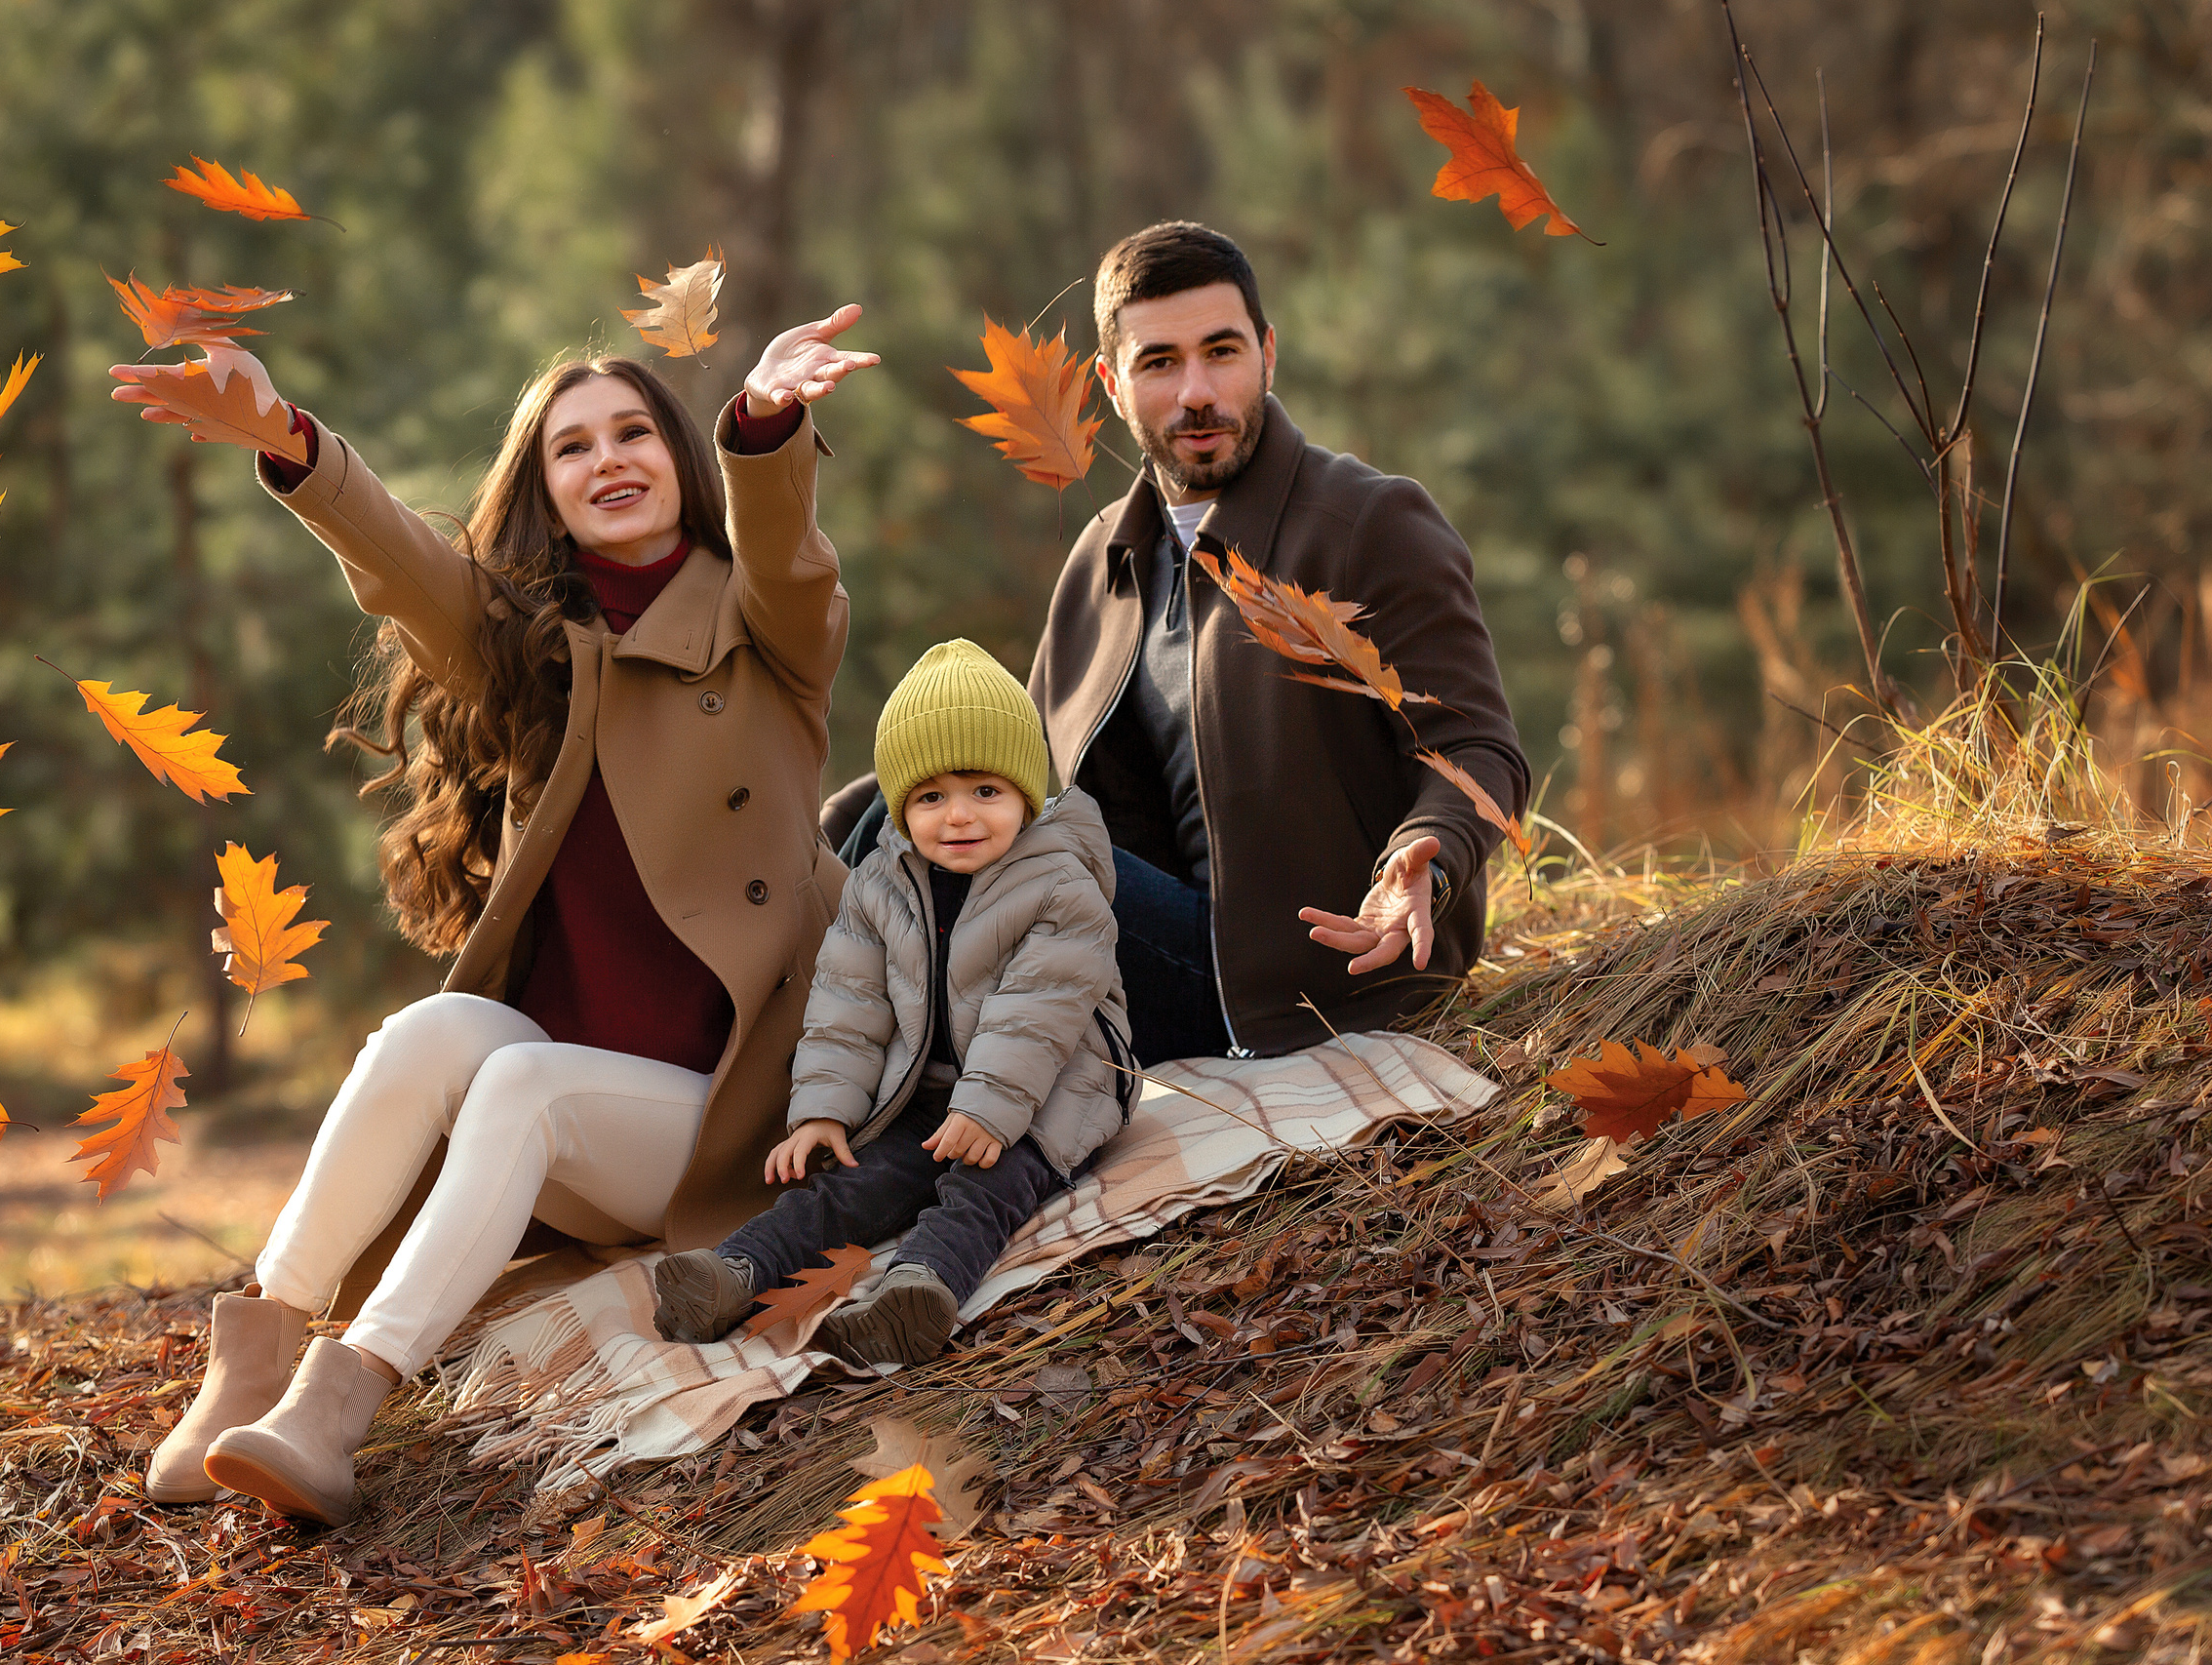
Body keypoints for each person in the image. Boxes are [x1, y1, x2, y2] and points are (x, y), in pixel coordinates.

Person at [106, 307, 880, 1526]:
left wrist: (769, 426)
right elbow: (406, 562)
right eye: (572, 448)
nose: (608, 459)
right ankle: (248, 1361)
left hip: (730, 1120)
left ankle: (337, 1404)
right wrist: (292, 441)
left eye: (635, 431)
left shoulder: (765, 636)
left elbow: (791, 561)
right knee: (434, 1034)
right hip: (580, 1112)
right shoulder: (534, 652)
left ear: (682, 461)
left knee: (522, 1088)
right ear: (547, 492)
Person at [1027, 220, 1529, 1062]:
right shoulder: (1100, 564)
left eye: (1221, 351)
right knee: (876, 812)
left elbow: (1480, 745)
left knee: (1010, 850)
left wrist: (1422, 860)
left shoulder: (1369, 522)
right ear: (1113, 384)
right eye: (1160, 363)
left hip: (1328, 976)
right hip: (1163, 968)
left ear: (1267, 352)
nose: (1197, 391)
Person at [655, 641, 1131, 1367]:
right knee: (853, 1183)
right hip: (933, 1092)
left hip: (1056, 1087)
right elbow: (848, 1003)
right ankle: (733, 1270)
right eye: (931, 796)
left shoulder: (1062, 880)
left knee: (982, 1188)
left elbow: (1039, 1009)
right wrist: (823, 1108)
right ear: (903, 804)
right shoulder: (880, 884)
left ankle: (921, 1285)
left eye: (985, 790)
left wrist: (989, 1109)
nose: (959, 816)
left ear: (1026, 794)